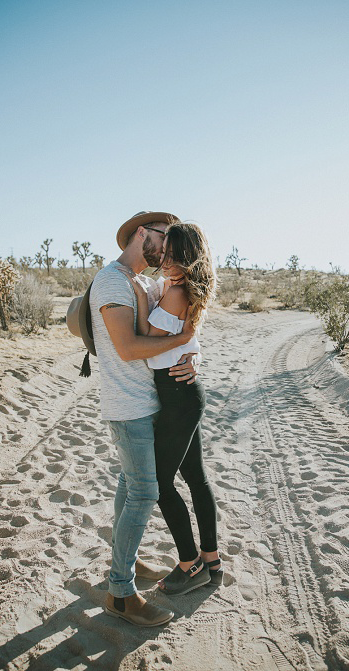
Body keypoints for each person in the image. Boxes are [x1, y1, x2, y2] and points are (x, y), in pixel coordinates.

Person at [90, 211, 198, 627]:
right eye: (164, 237)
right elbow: (129, 348)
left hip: (150, 403)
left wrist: (193, 357)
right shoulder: (112, 281)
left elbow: (175, 329)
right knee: (143, 493)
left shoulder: (146, 283)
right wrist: (182, 339)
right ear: (142, 234)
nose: (168, 247)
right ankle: (121, 592)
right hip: (127, 407)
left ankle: (123, 565)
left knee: (128, 486)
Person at [128, 222, 221, 595]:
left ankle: (190, 565)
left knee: (160, 483)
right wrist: (190, 347)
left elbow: (145, 341)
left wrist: (138, 295)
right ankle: (212, 560)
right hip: (183, 393)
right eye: (163, 251)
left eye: (172, 254)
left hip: (179, 398)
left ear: (189, 257)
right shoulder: (177, 288)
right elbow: (175, 341)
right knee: (196, 478)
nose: (163, 259)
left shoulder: (177, 293)